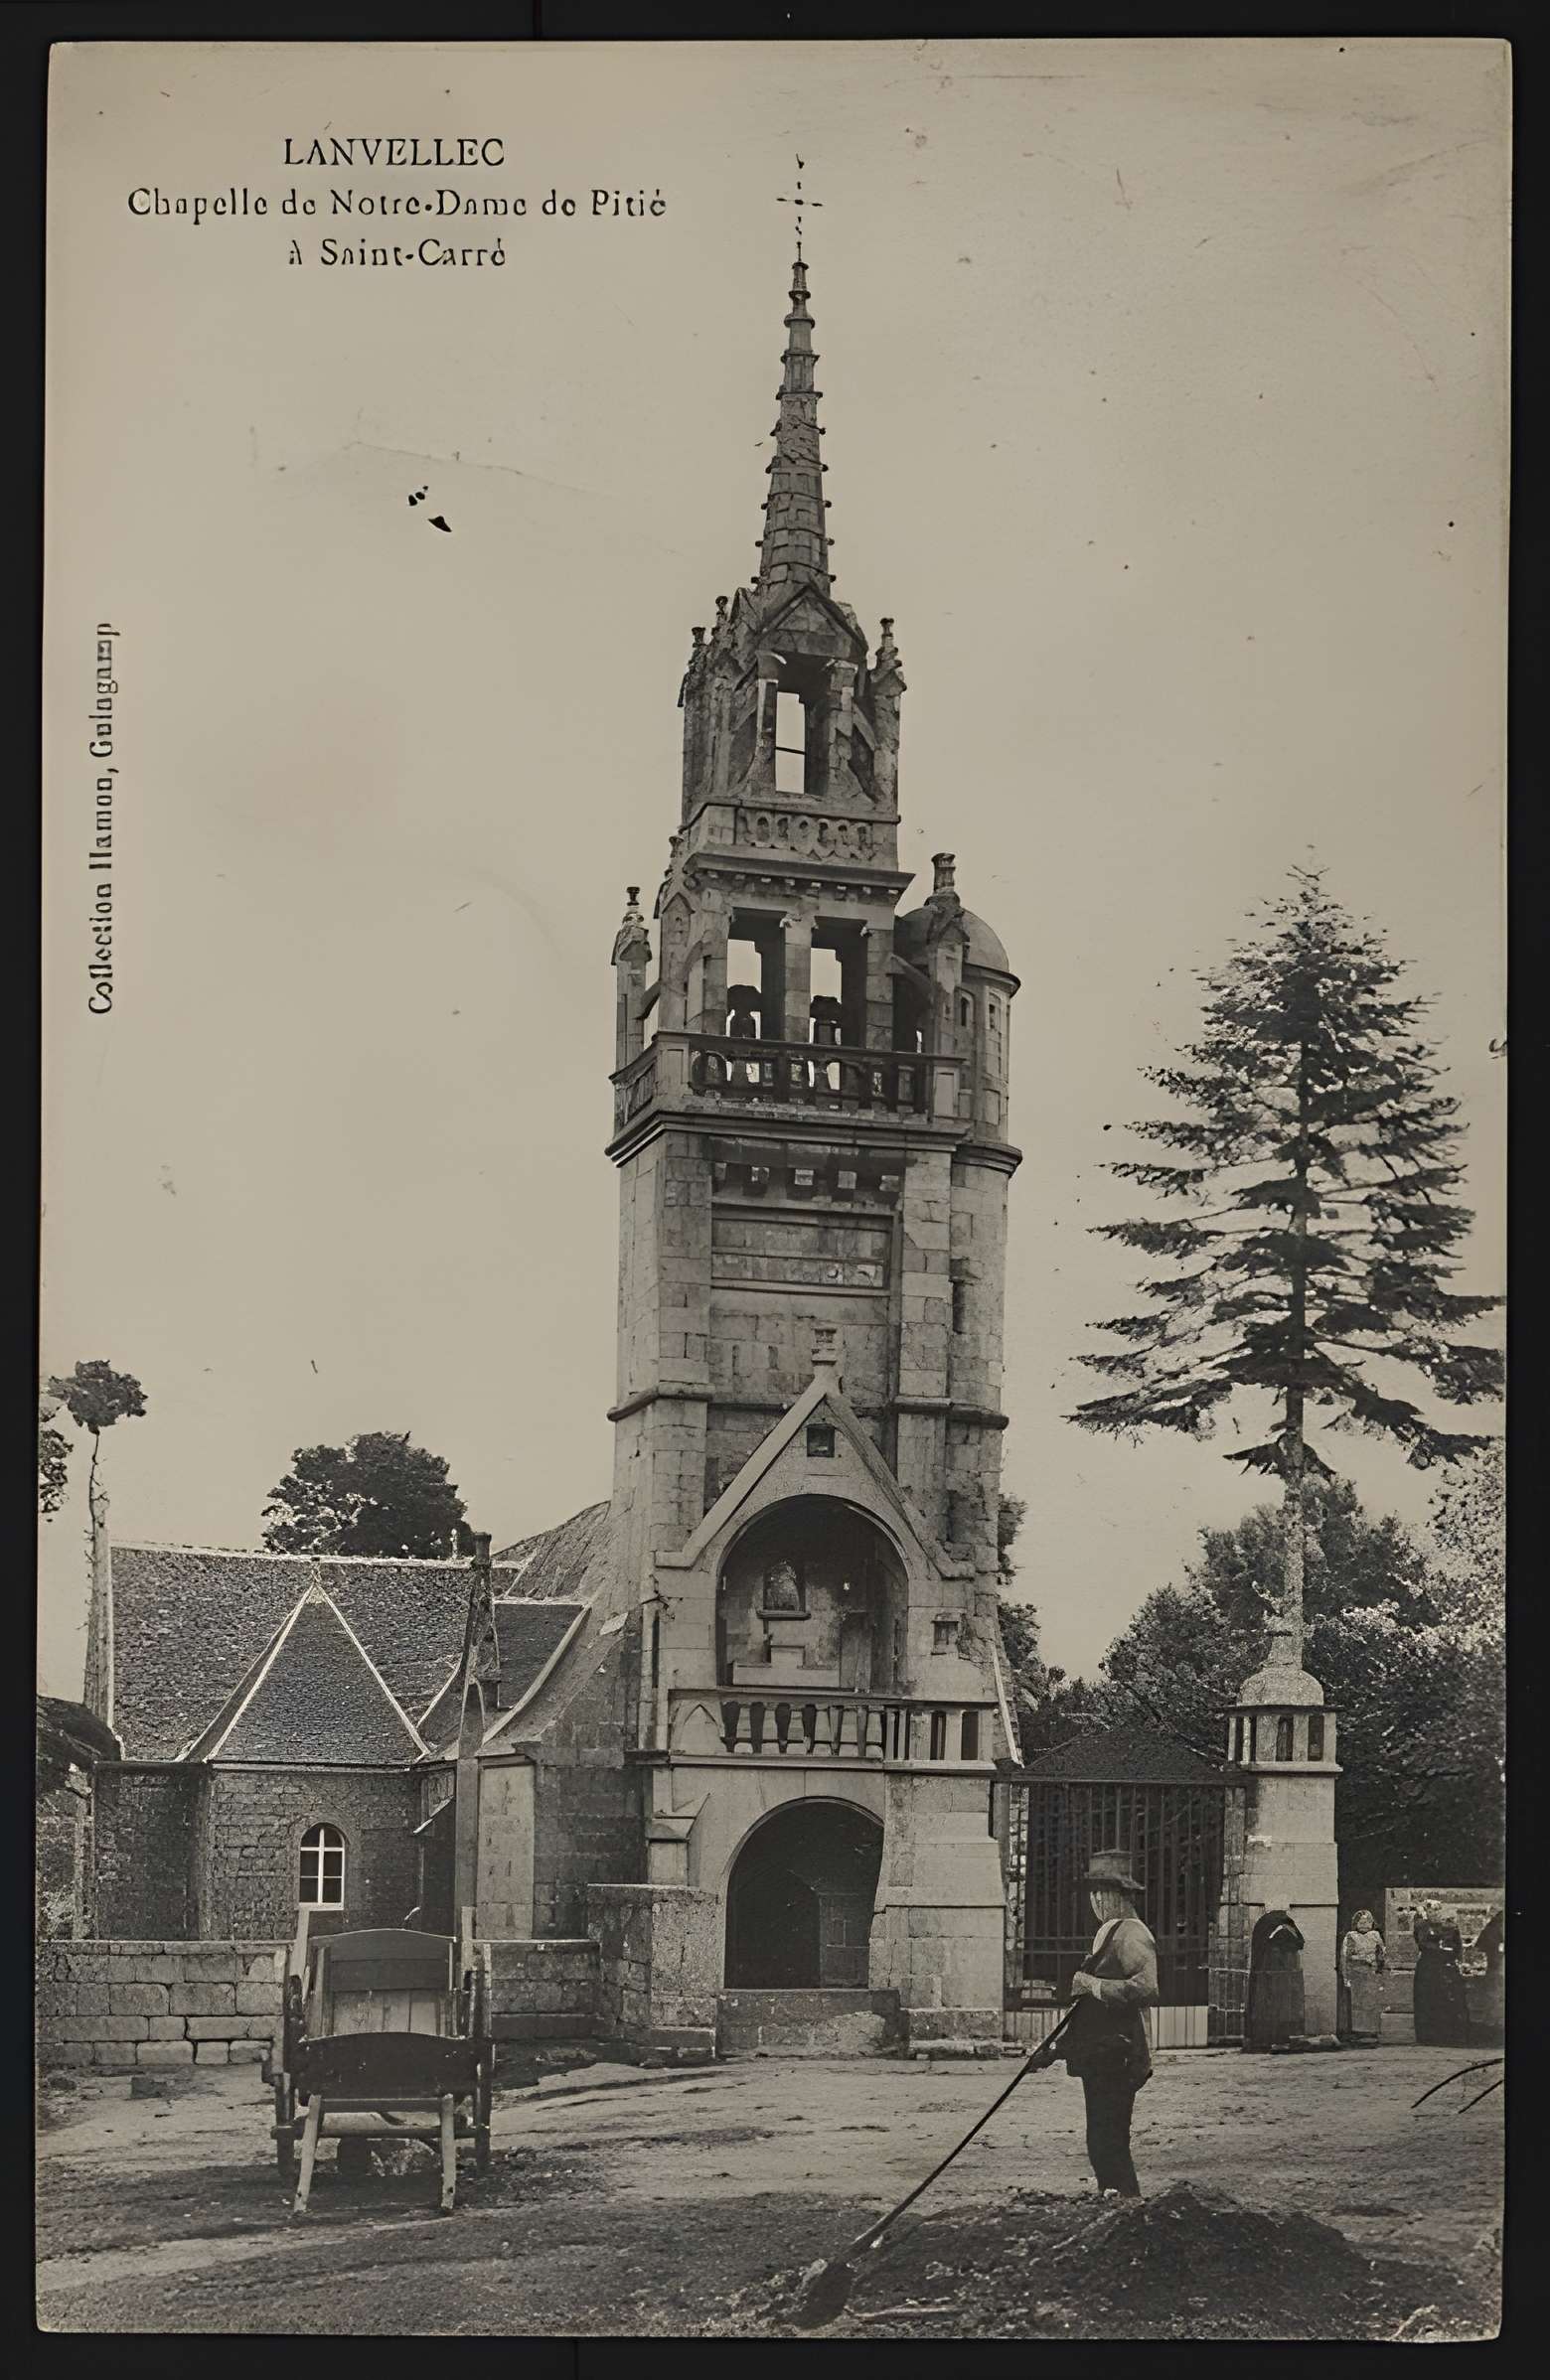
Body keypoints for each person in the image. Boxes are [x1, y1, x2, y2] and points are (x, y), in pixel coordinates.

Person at [1032, 1847, 1159, 2198]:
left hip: (1119, 2052)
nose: (1096, 1900)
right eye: (1093, 1892)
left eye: (1102, 1891)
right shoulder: (1108, 1931)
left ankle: (1127, 2208)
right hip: (1099, 2053)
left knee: (1110, 2142)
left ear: (1120, 1894)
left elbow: (1147, 1988)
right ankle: (1114, 2203)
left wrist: (1092, 1984)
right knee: (1100, 2142)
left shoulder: (1132, 1932)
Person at [1245, 1911, 1306, 2050]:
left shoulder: (1280, 1934)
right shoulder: (1278, 1937)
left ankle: (1277, 2037)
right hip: (1273, 1979)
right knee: (1275, 2007)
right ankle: (1272, 2037)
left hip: (1279, 1980)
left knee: (1279, 2008)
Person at [1413, 1901, 1471, 2045]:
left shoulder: (1450, 1927)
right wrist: (1442, 1949)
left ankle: (1447, 2036)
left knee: (1447, 2002)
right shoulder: (1422, 1926)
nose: (1435, 1914)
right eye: (1431, 1911)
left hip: (1446, 1968)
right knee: (1427, 2001)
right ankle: (1428, 2037)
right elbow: (1423, 1944)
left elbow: (1457, 1946)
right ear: (1427, 1912)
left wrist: (1456, 1959)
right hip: (1428, 1968)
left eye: (1437, 1911)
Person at [1339, 1910, 1387, 2042]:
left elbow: (1382, 1952)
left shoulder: (1376, 1935)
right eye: (1361, 1922)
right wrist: (1362, 1959)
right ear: (1356, 1923)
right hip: (1357, 1973)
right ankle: (1359, 2030)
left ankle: (1372, 2030)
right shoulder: (1351, 1936)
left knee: (1372, 2001)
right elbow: (1347, 1956)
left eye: (1367, 1922)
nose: (1364, 1925)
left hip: (1372, 1973)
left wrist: (1378, 1963)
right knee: (1358, 2002)